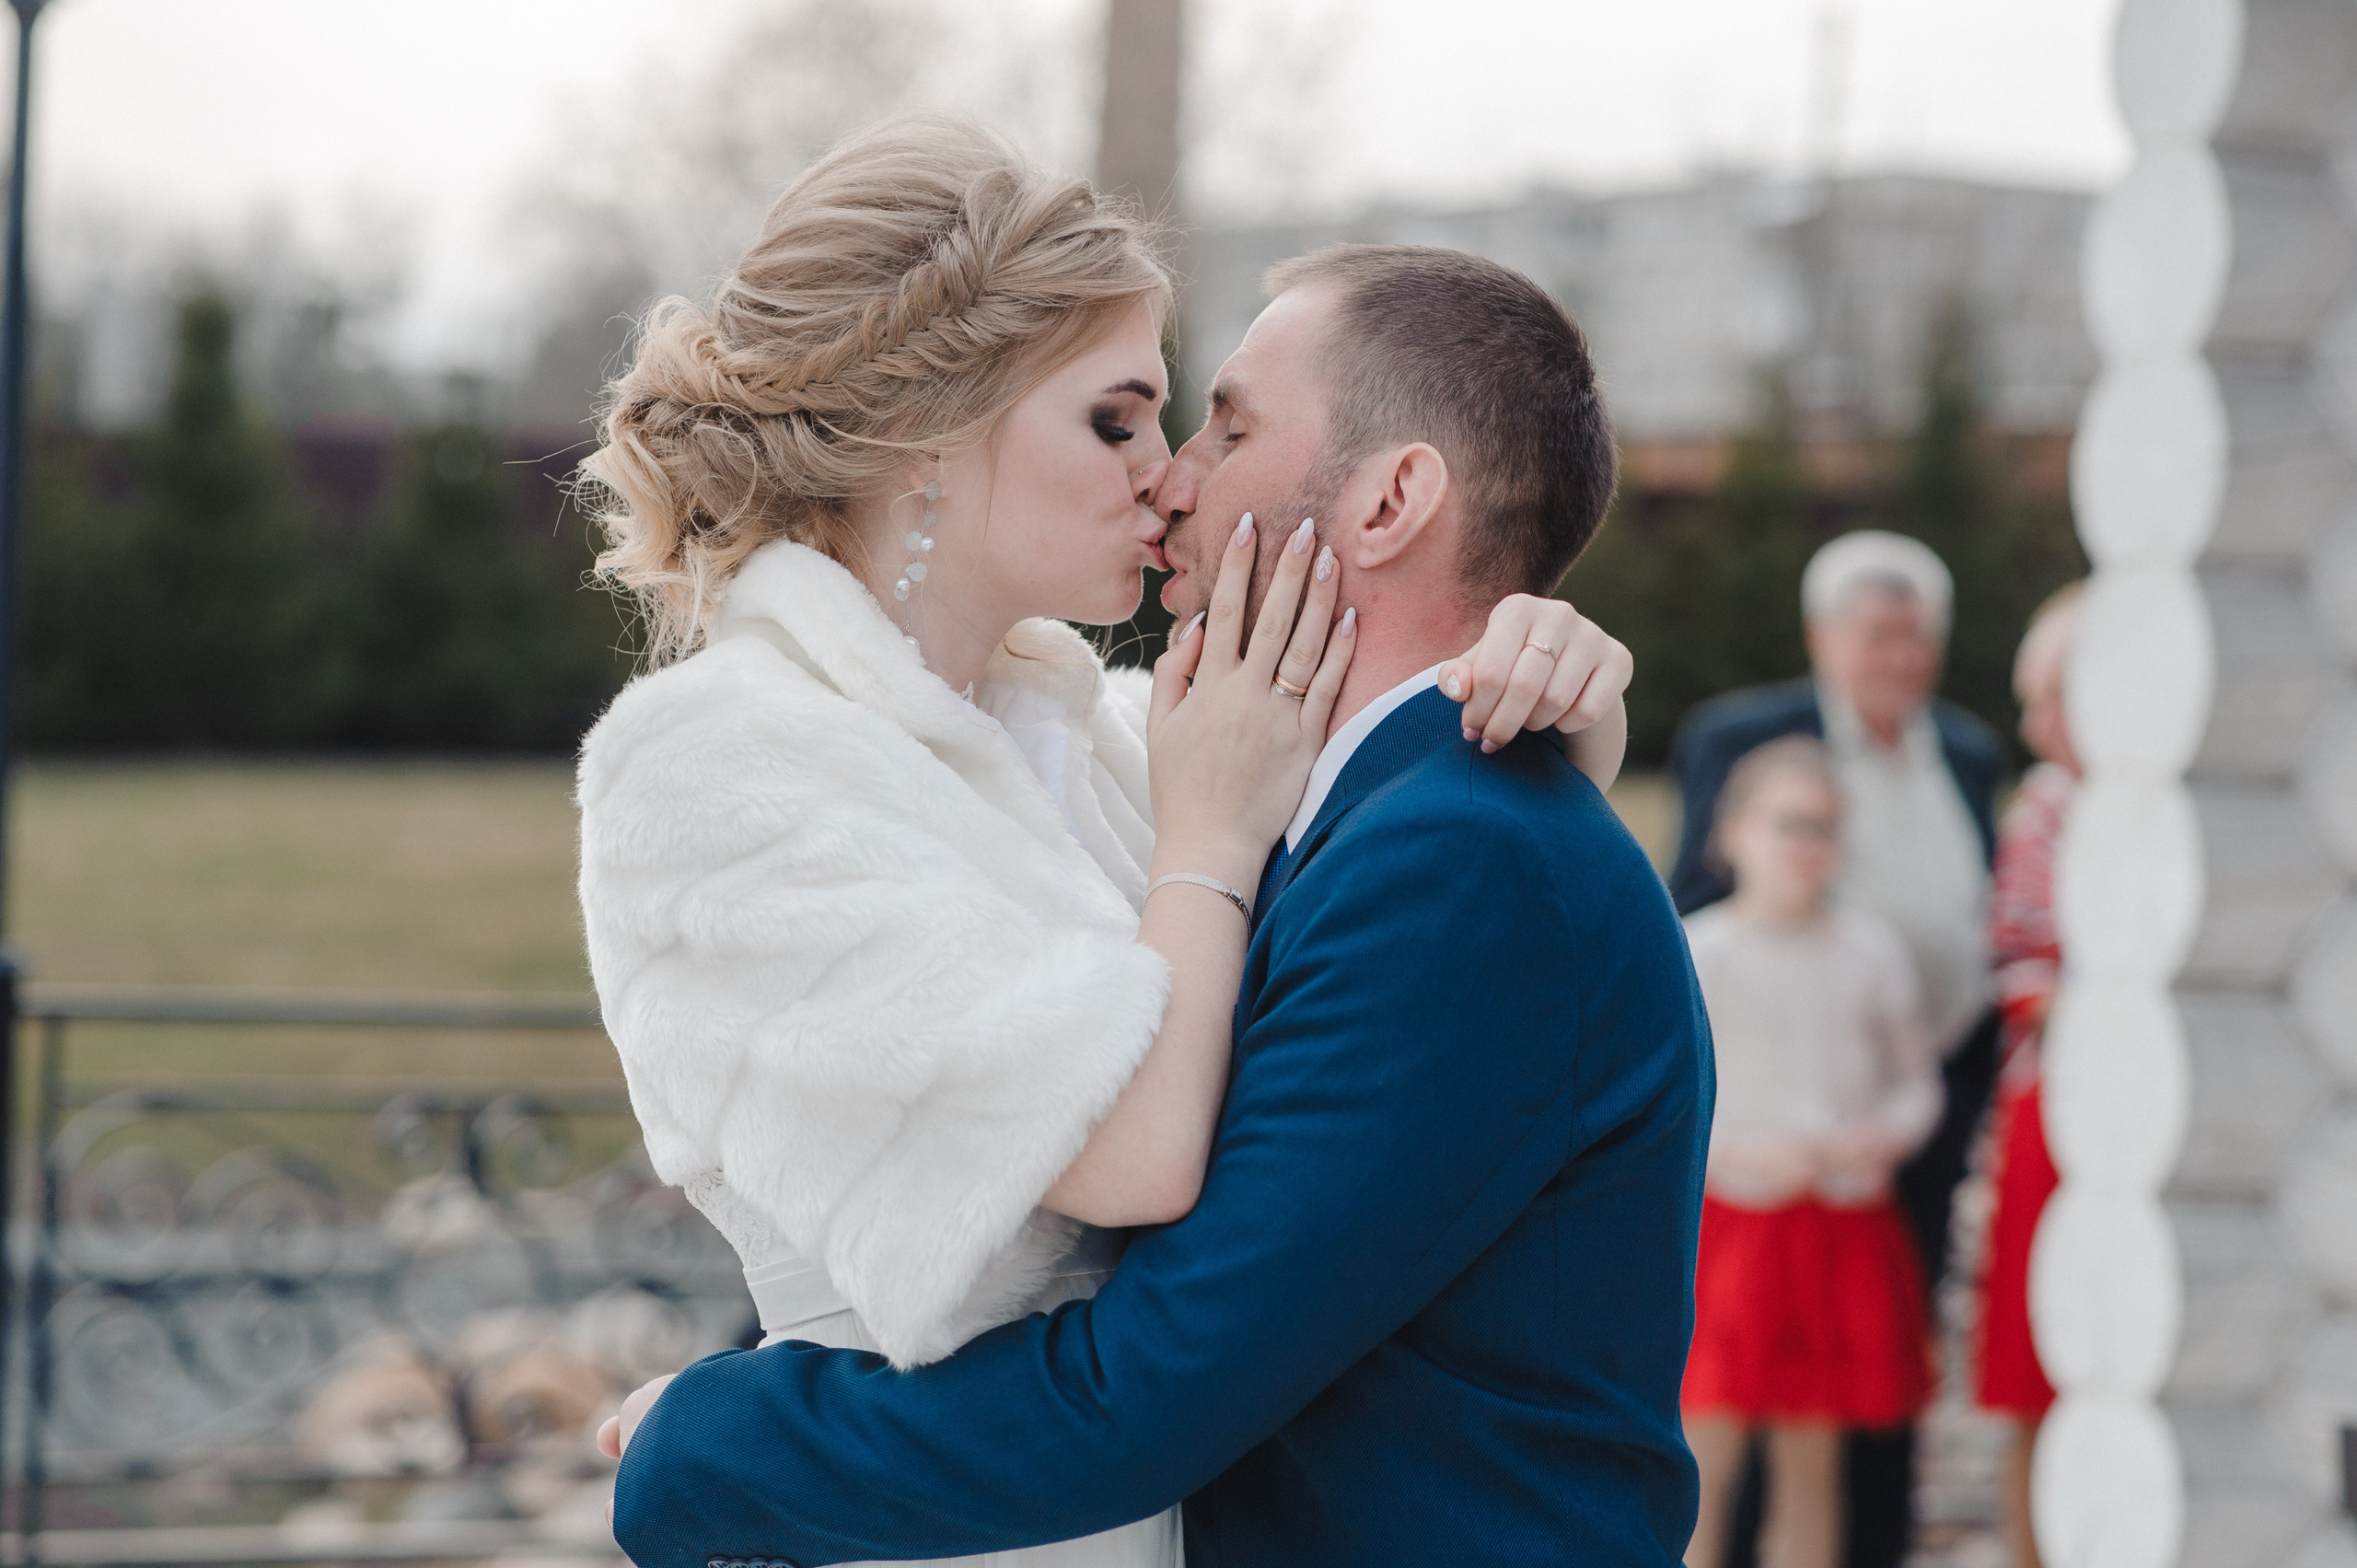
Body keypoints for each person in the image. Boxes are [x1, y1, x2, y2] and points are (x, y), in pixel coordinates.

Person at [574, 120, 1646, 1568]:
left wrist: (1541, 675)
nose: (1169, 475)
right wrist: (725, 1434)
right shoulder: (721, 766)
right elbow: (1140, 1155)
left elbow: (1377, 868)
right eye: (1119, 417)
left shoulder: (1108, 735)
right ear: (930, 429)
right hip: (933, 1526)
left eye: (1192, 421)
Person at [1666, 529, 2003, 1568]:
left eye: (1919, 636)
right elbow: (1689, 913)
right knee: (1724, 1424)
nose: (1902, 656)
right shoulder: (1744, 735)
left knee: (1865, 1386)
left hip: (1903, 1109)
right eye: (1879, 633)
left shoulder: (1967, 747)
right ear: (1824, 636)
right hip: (1756, 1157)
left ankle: (1875, 1547)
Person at [1679, 737, 1941, 1568]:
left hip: (1834, 1229)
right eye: (1788, 824)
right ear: (1736, 831)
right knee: (1700, 1461)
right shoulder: (1696, 949)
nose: (1805, 846)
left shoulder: (1869, 952)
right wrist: (1739, 1153)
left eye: (1824, 828)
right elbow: (1666, 1099)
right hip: (1727, 1230)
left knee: (1812, 1466)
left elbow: (1916, 1085)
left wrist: (1884, 1134)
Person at [1975, 583, 2083, 1568]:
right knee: (2030, 1365)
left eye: (2053, 695)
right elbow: (2021, 970)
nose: (2033, 723)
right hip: (2058, 1103)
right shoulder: (2047, 810)